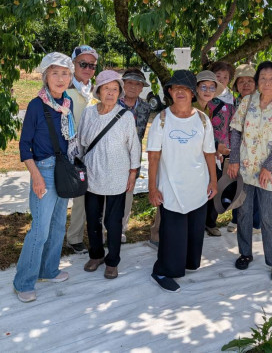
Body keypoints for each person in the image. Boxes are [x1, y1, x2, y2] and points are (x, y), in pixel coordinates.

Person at [13, 52, 76, 303]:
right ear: (45, 76)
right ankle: (24, 282)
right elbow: (24, 146)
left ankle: (49, 270)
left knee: (58, 225)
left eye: (65, 73)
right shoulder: (36, 105)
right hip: (44, 171)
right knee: (39, 230)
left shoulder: (68, 103)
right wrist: (36, 176)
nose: (60, 78)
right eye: (55, 73)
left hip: (63, 169)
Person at [148, 70, 218, 293]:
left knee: (194, 231)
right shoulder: (161, 120)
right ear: (170, 91)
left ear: (192, 93)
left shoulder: (203, 120)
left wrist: (213, 181)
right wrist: (152, 188)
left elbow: (209, 153)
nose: (180, 92)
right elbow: (153, 156)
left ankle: (187, 263)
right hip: (171, 186)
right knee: (173, 233)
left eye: (185, 88)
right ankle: (162, 271)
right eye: (176, 88)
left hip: (198, 186)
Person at [227, 61, 272, 282]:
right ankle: (245, 253)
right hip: (245, 168)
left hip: (267, 172)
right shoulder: (248, 102)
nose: (267, 82)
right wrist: (234, 160)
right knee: (244, 212)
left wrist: (268, 166)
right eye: (263, 78)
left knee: (267, 216)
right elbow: (235, 131)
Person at [79, 70, 141, 279]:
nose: (111, 93)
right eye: (107, 88)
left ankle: (112, 261)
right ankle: (96, 255)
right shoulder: (88, 113)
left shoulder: (126, 116)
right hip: (92, 174)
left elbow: (134, 147)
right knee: (92, 219)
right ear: (98, 91)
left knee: (113, 222)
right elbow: (81, 142)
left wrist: (133, 173)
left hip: (117, 176)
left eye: (115, 89)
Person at [66, 45, 99, 254]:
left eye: (92, 65)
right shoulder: (62, 87)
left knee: (82, 196)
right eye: (83, 64)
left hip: (89, 154)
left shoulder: (97, 91)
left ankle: (74, 237)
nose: (88, 69)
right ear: (73, 64)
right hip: (64, 152)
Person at [194, 70, 234, 237]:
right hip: (195, 160)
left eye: (212, 87)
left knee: (211, 186)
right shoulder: (192, 109)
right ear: (196, 88)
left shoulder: (206, 109)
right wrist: (217, 147)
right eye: (204, 87)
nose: (208, 90)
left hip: (211, 155)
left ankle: (205, 224)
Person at [227, 64, 261, 234]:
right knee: (237, 185)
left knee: (255, 188)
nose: (245, 84)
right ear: (236, 85)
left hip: (256, 153)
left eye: (250, 81)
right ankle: (236, 218)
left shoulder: (261, 102)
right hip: (236, 151)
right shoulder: (234, 103)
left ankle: (255, 222)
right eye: (241, 81)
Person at [118, 68, 151, 243]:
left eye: (138, 84)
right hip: (112, 155)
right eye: (129, 82)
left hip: (133, 158)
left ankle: (121, 229)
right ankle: (104, 228)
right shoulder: (113, 103)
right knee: (107, 194)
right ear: (123, 84)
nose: (133, 87)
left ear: (142, 88)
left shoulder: (145, 107)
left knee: (128, 193)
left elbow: (141, 134)